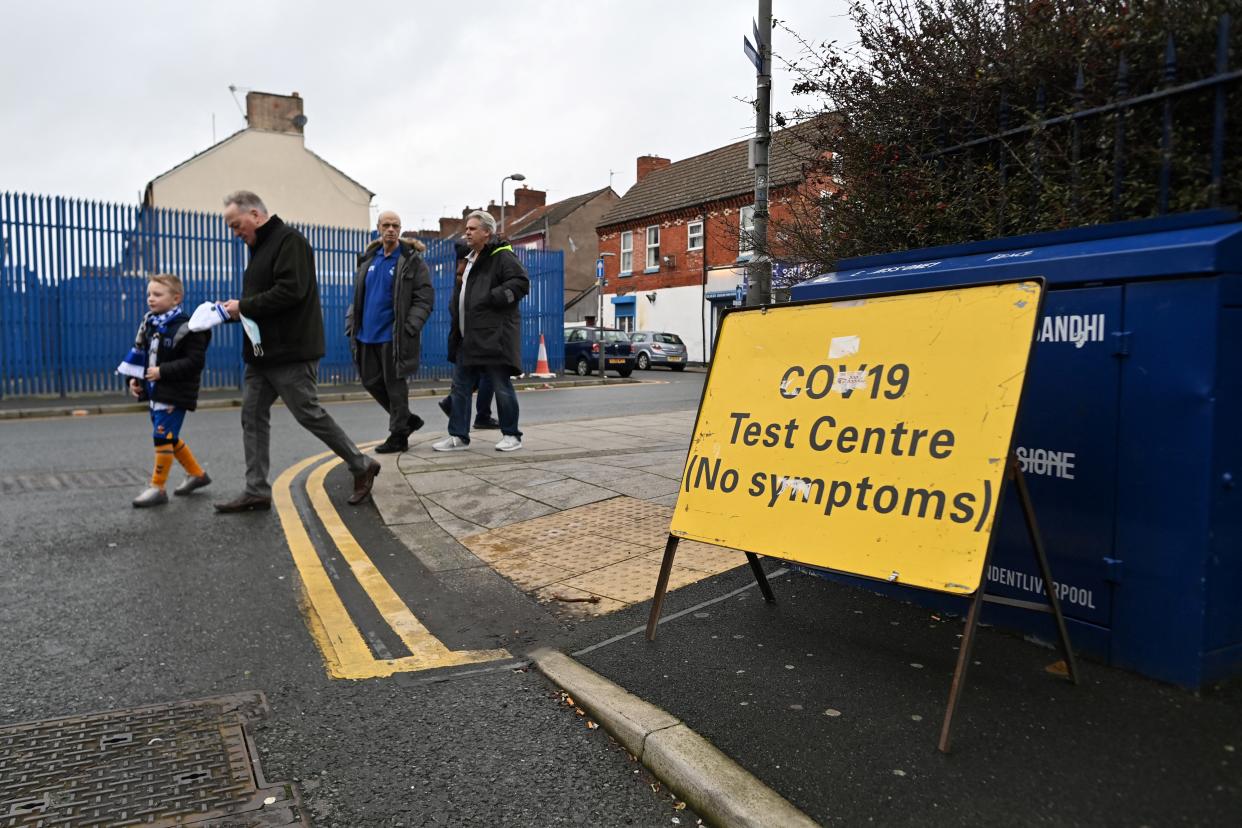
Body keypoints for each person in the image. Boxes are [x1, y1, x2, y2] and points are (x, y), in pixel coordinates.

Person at [216, 190, 380, 512]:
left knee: (308, 413)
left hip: (290, 352)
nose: (236, 233)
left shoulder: (289, 241)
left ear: (255, 215)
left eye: (237, 225)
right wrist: (229, 312)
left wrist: (243, 306)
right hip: (261, 354)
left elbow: (291, 292)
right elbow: (263, 301)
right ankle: (257, 490)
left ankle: (361, 464)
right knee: (252, 416)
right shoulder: (260, 249)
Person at [432, 211, 529, 452]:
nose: (467, 232)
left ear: (487, 232)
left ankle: (511, 435)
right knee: (460, 387)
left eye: (473, 228)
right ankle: (458, 436)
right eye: (467, 228)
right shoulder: (470, 258)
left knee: (501, 386)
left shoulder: (502, 256)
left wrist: (493, 297)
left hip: (493, 337)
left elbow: (520, 283)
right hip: (469, 337)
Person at [119, 273, 212, 507]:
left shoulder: (189, 328)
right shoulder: (150, 323)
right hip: (155, 391)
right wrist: (134, 379)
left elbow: (194, 362)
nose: (151, 299)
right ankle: (197, 475)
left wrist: (162, 372)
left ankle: (157, 488)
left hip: (175, 393)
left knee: (161, 437)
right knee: (169, 437)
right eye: (149, 294)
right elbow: (140, 354)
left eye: (157, 294)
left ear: (176, 298)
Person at [347, 210, 434, 454]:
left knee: (395, 387)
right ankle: (406, 420)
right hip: (365, 334)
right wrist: (350, 321)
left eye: (396, 225)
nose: (391, 229)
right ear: (378, 228)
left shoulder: (411, 260)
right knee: (370, 381)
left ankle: (398, 436)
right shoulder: (369, 259)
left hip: (394, 336)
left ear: (400, 229)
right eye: (386, 225)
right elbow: (358, 297)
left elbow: (425, 298)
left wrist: (410, 327)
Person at [436, 242, 498, 430]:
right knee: (487, 374)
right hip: (473, 336)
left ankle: (456, 414)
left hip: (467, 336)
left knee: (472, 375)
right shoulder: (466, 273)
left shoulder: (462, 274)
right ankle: (480, 416)